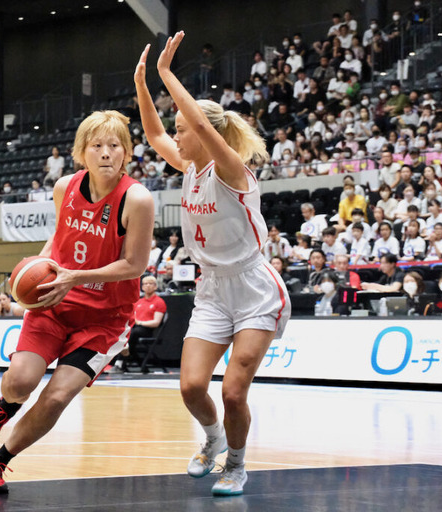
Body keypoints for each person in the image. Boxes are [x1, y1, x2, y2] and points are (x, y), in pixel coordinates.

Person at [135, 33, 290, 496]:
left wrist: (167, 74)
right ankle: (214, 438)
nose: (177, 134)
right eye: (179, 129)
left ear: (205, 133)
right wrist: (142, 84)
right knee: (190, 387)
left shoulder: (231, 170)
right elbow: (153, 134)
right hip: (212, 289)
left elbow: (199, 127)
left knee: (233, 391)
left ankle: (237, 464)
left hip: (254, 287)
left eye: (183, 128)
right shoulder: (190, 169)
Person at [0, 108, 155, 494]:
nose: (107, 153)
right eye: (97, 146)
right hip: (55, 302)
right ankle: (5, 405)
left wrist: (77, 277)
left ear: (127, 152)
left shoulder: (137, 199)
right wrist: (36, 276)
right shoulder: (64, 187)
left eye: (115, 146)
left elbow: (135, 265)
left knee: (56, 396)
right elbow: (59, 242)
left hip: (105, 320)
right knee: (21, 382)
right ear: (81, 153)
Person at [112, 275, 167, 373]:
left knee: (133, 333)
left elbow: (156, 323)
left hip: (147, 330)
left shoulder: (159, 302)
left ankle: (120, 361)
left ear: (155, 286)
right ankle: (125, 356)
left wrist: (140, 322)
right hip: (135, 327)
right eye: (145, 284)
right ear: (142, 287)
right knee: (123, 332)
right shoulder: (138, 301)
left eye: (151, 284)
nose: (148, 286)